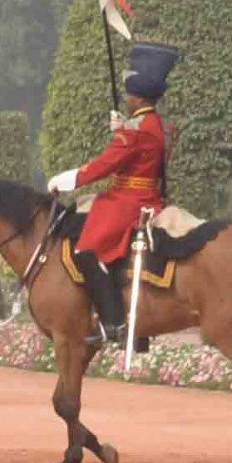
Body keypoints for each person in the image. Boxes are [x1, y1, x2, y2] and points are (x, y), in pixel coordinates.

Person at [46, 42, 177, 330]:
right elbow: (142, 155)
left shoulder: (136, 130)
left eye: (129, 94)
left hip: (128, 201)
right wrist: (123, 129)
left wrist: (66, 179)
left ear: (137, 96)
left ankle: (112, 319)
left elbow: (104, 165)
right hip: (145, 194)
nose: (127, 99)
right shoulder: (156, 124)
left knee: (86, 251)